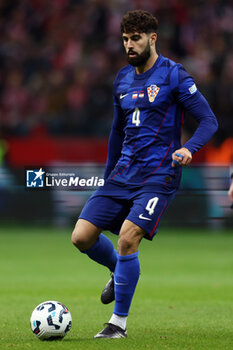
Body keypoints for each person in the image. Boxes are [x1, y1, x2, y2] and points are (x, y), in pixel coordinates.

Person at [71, 10, 218, 339]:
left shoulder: (174, 75)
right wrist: (109, 176)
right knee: (81, 237)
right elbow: (116, 133)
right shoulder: (122, 78)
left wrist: (189, 148)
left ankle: (117, 324)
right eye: (125, 39)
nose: (129, 45)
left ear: (152, 38)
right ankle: (115, 269)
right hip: (122, 174)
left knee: (126, 238)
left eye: (135, 38)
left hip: (158, 175)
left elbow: (209, 121)